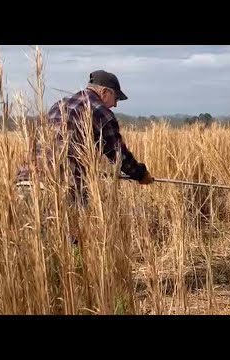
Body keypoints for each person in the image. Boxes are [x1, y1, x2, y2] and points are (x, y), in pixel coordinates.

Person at [15, 69, 153, 242]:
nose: (115, 105)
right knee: (70, 248)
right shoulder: (100, 111)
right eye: (116, 98)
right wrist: (140, 174)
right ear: (104, 92)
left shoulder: (59, 105)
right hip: (59, 188)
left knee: (36, 250)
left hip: (26, 183)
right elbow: (118, 155)